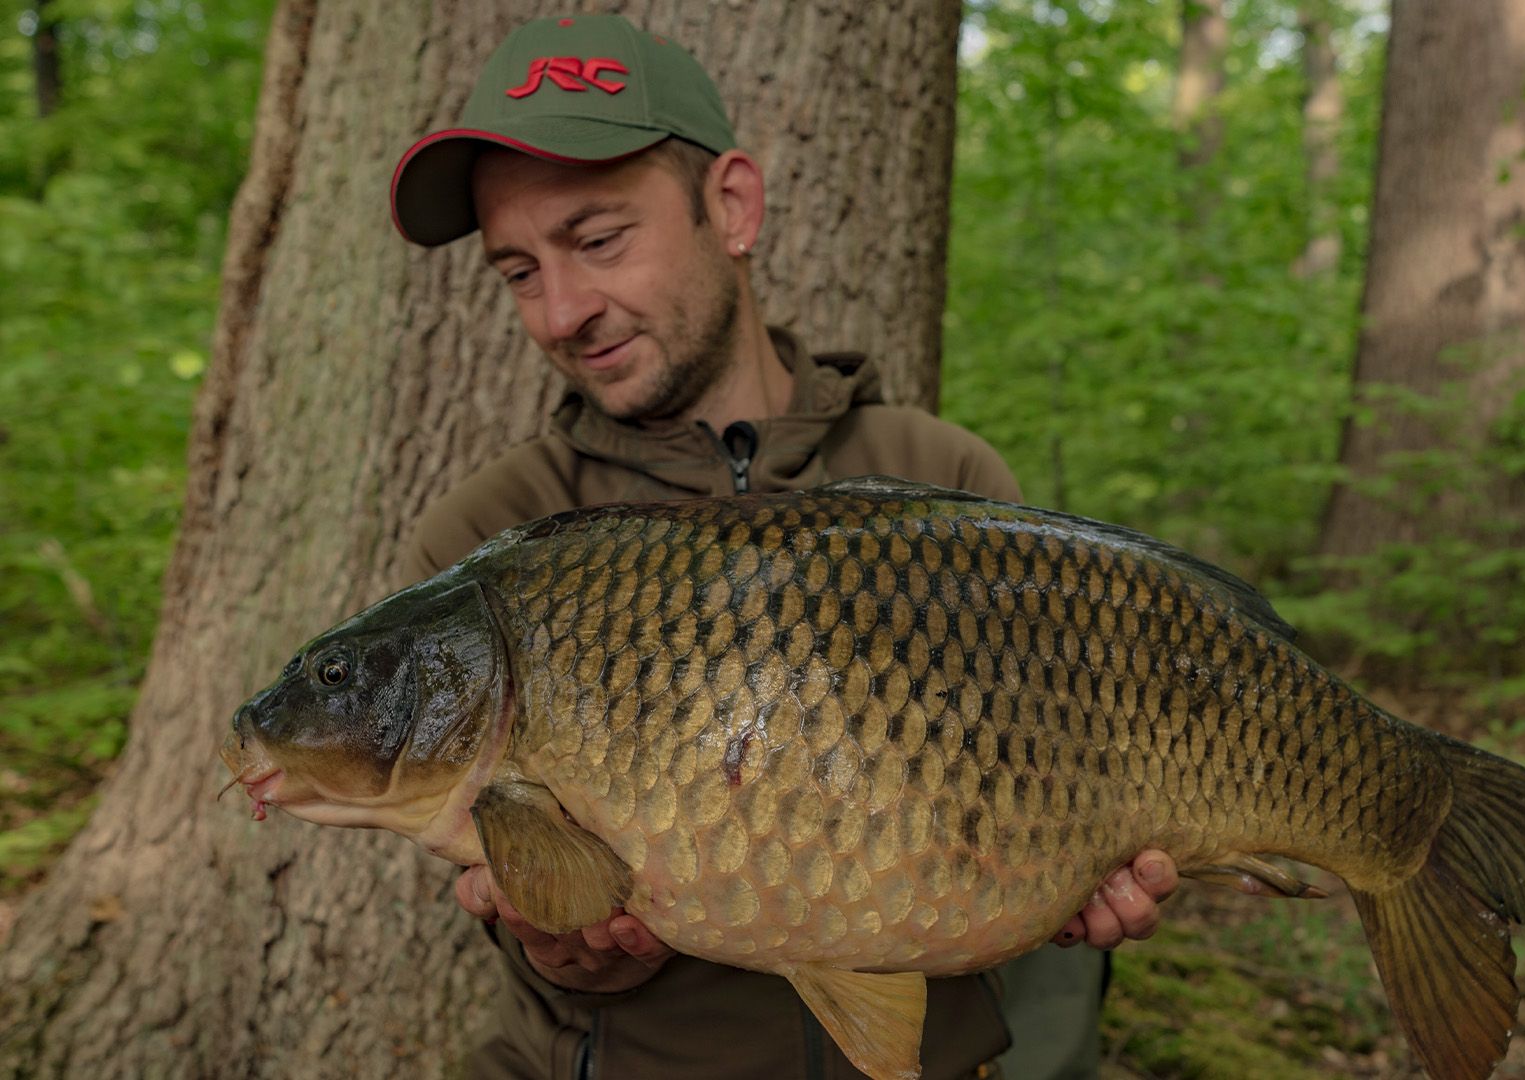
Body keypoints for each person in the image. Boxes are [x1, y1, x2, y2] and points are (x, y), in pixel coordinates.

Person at [387, 14, 1175, 1080]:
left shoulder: (944, 479)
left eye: (598, 240)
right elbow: (530, 923)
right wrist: (566, 948)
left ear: (732, 207)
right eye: (519, 271)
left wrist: (1082, 873)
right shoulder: (490, 546)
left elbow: (1057, 797)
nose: (562, 312)